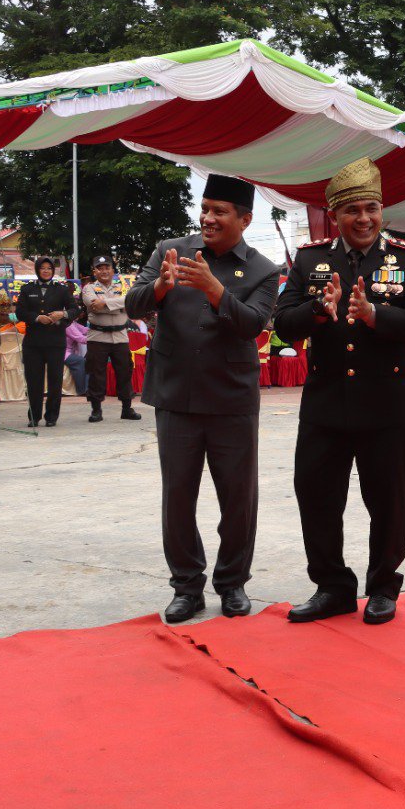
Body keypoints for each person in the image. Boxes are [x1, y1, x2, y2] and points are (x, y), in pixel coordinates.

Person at [274, 158, 405, 626]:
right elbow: (283, 324)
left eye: (371, 209)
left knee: (387, 499)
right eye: (352, 211)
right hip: (325, 405)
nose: (363, 219)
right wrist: (317, 311)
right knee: (316, 494)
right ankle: (332, 587)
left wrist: (375, 316)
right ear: (335, 216)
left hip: (386, 405)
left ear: (382, 210)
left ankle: (383, 586)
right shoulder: (310, 259)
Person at [125, 174, 280, 624]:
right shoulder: (169, 249)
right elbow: (133, 304)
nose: (209, 218)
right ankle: (186, 588)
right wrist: (161, 287)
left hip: (231, 399)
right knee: (177, 498)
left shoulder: (262, 269)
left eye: (221, 211)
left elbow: (253, 325)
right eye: (206, 208)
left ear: (245, 219)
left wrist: (214, 289)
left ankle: (232, 583)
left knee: (238, 499)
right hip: (175, 395)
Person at [16, 257, 76, 427]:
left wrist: (61, 315)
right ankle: (34, 416)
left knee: (55, 380)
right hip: (33, 343)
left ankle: (52, 416)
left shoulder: (61, 290)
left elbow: (75, 310)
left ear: (53, 271)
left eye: (49, 268)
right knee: (34, 381)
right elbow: (20, 312)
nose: (46, 271)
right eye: (42, 268)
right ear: (37, 270)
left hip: (55, 342)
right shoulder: (28, 289)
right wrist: (36, 318)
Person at [82, 256, 140, 422]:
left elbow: (130, 300)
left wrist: (105, 304)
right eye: (99, 268)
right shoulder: (88, 288)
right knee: (96, 372)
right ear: (95, 272)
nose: (104, 271)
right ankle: (96, 410)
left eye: (107, 267)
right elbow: (92, 305)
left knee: (125, 371)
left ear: (113, 270)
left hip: (120, 336)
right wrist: (118, 305)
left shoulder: (122, 286)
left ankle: (127, 409)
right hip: (98, 336)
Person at [63, 317, 88, 397]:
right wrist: (96, 338)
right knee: (81, 361)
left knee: (88, 360)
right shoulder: (68, 325)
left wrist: (99, 331)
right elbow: (81, 339)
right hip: (63, 354)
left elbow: (84, 330)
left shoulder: (73, 323)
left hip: (70, 352)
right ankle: (82, 390)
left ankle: (87, 389)